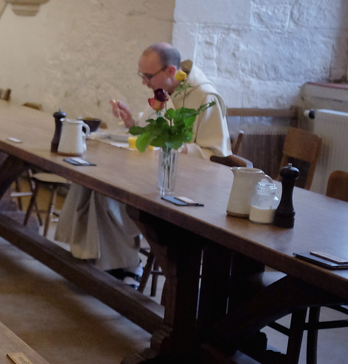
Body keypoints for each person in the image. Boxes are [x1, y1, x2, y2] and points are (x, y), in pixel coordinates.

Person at [53, 43, 230, 277]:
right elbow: (150, 135)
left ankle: (125, 269)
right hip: (150, 176)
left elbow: (217, 157)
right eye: (142, 75)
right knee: (93, 185)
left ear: (169, 71)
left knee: (107, 197)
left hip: (186, 189)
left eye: (148, 76)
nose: (144, 82)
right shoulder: (164, 93)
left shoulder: (205, 97)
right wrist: (131, 124)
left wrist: (180, 148)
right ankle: (103, 265)